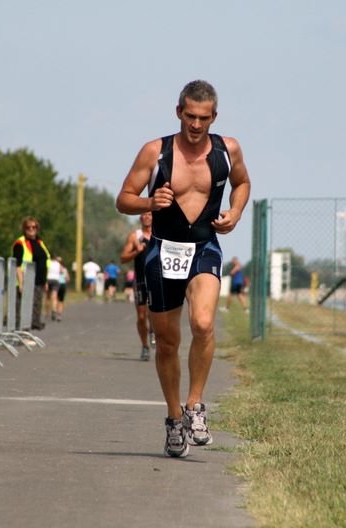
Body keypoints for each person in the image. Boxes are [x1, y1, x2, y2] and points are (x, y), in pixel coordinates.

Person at [115, 80, 251, 458]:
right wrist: (148, 201)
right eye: (189, 116)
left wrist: (236, 212)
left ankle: (195, 406)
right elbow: (122, 199)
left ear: (214, 117)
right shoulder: (155, 152)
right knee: (168, 342)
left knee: (204, 323)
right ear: (178, 112)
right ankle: (174, 418)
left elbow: (242, 183)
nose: (195, 124)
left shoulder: (228, 149)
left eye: (203, 118)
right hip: (162, 250)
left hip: (204, 246)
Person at [120, 211, 155, 361]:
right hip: (140, 280)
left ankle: (153, 331)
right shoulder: (135, 236)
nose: (146, 217)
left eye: (149, 214)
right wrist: (136, 251)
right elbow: (123, 258)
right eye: (144, 215)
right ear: (140, 218)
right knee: (141, 317)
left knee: (154, 314)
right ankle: (145, 346)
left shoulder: (160, 235)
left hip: (156, 281)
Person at [12, 216, 51, 330]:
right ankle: (21, 333)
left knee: (35, 309)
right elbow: (17, 265)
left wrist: (45, 281)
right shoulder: (20, 243)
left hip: (38, 281)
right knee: (23, 309)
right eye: (28, 227)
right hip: (25, 280)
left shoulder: (39, 242)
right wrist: (21, 283)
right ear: (24, 229)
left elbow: (45, 260)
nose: (31, 229)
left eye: (34, 227)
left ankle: (30, 332)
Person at [46, 255, 62, 320]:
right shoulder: (58, 264)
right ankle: (54, 309)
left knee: (47, 297)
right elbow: (61, 271)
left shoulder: (48, 262)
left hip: (48, 279)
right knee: (54, 296)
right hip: (56, 280)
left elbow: (46, 271)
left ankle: (47, 312)